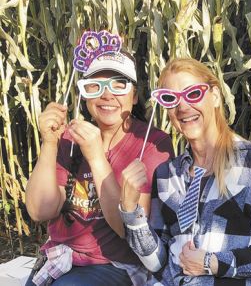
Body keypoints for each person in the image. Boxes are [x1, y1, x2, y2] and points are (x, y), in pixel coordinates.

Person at [119, 58, 251, 286]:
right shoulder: (166, 174)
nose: (182, 107)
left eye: (193, 94)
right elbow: (157, 262)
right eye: (171, 99)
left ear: (216, 96)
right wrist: (132, 214)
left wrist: (214, 262)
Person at [25, 49, 174, 286]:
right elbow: (40, 211)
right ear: (85, 95)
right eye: (95, 85)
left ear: (134, 95)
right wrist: (50, 142)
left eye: (119, 85)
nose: (107, 95)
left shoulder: (152, 143)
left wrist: (96, 157)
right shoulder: (69, 139)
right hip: (61, 258)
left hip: (115, 265)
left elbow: (131, 231)